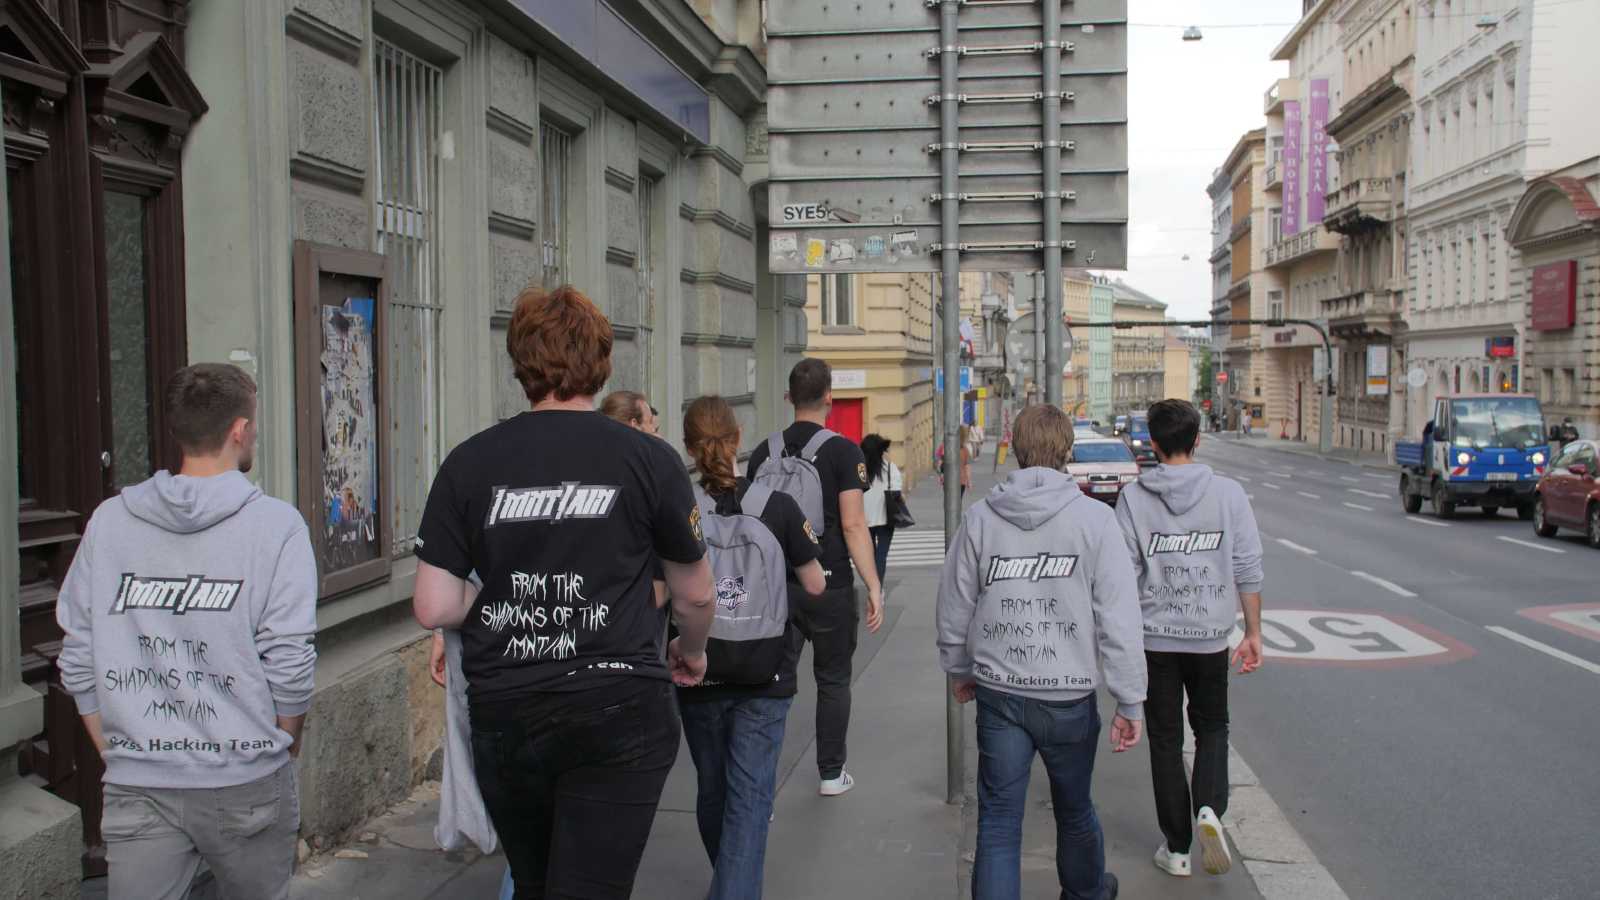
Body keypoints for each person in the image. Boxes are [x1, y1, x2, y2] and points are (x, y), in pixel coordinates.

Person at [412, 285, 716, 900]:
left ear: (520, 363)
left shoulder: (469, 463)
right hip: (619, 701)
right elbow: (696, 594)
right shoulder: (649, 459)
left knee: (535, 882)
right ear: (601, 361)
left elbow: (434, 604)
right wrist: (692, 650)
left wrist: (496, 606)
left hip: (508, 710)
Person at [56, 363, 317, 900]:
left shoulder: (109, 522)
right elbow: (289, 658)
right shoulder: (276, 526)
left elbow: (78, 653)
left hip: (140, 777)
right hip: (244, 775)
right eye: (253, 425)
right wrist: (282, 743)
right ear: (239, 430)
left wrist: (115, 748)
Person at [937, 403, 1147, 900]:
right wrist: (1130, 699)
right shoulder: (1096, 521)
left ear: (1015, 449)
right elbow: (1119, 618)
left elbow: (954, 605)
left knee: (999, 822)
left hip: (1001, 693)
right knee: (1074, 810)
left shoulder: (981, 519)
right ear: (1067, 451)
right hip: (1068, 695)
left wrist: (959, 668)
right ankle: (1086, 893)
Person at [677, 395, 826, 899]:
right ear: (739, 438)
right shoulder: (776, 506)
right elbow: (815, 583)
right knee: (750, 801)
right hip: (767, 671)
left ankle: (728, 882)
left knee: (713, 791)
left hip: (698, 669)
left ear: (689, 447)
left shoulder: (681, 511)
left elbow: (660, 590)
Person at [1114, 399, 1264, 880]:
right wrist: (1253, 632)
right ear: (1197, 440)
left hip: (1155, 641)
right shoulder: (1228, 494)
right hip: (1209, 638)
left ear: (1153, 444)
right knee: (1212, 727)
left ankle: (1177, 849)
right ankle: (1209, 809)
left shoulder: (1133, 498)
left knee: (1164, 740)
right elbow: (1247, 566)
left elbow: (1122, 576)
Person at [745, 358, 884, 796]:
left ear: (789, 397)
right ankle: (831, 774)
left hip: (776, 587)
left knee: (770, 687)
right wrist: (873, 584)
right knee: (833, 680)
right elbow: (854, 525)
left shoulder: (762, 453)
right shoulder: (844, 452)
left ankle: (759, 785)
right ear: (829, 397)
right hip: (830, 583)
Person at [860, 433, 904, 580]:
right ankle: (878, 588)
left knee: (869, 555)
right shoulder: (891, 468)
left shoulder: (859, 470)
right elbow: (897, 493)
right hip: (886, 518)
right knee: (881, 554)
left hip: (864, 519)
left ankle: (872, 585)